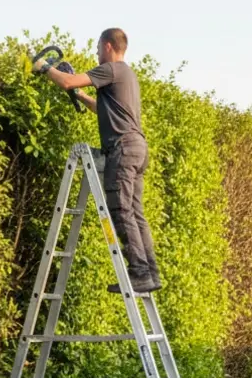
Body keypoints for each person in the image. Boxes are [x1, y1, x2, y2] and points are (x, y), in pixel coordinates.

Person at [34, 28, 160, 293]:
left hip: (122, 150)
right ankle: (150, 274)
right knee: (136, 213)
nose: (96, 53)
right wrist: (80, 96)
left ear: (108, 46)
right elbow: (100, 106)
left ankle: (138, 273)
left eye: (97, 48)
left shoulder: (112, 69)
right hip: (137, 147)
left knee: (121, 210)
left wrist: (45, 68)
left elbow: (69, 81)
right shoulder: (127, 75)